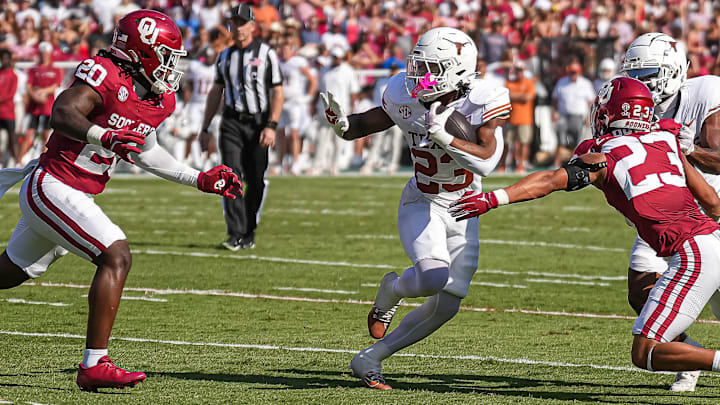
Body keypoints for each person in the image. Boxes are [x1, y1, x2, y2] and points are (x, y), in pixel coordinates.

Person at [0, 10, 242, 391]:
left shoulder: (157, 99)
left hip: (75, 193)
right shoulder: (104, 74)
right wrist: (104, 136)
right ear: (142, 52)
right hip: (52, 184)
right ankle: (95, 365)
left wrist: (198, 178)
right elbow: (62, 112)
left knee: (9, 274)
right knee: (117, 254)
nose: (170, 67)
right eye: (165, 56)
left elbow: (146, 151)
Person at [448, 77, 720, 386]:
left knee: (645, 351)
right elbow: (713, 204)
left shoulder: (602, 155)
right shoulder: (667, 141)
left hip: (693, 254)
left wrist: (493, 198)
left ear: (607, 115)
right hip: (714, 239)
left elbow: (551, 180)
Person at [321, 27, 510, 390]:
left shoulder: (483, 98)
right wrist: (343, 124)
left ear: (458, 71)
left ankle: (370, 358)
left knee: (448, 304)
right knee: (433, 277)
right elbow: (365, 123)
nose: (420, 77)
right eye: (418, 65)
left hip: (465, 208)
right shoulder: (403, 93)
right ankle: (391, 290)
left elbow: (486, 162)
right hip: (422, 200)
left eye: (431, 68)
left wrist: (443, 135)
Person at [619, 32, 720, 392]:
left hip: (713, 214)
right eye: (634, 75)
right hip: (669, 213)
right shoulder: (629, 105)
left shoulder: (706, 92)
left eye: (646, 74)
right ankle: (686, 351)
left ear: (674, 71)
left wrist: (685, 151)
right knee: (641, 290)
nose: (638, 83)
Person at [199, 4, 284, 251]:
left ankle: (249, 230)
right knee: (231, 176)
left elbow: (277, 91)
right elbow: (216, 91)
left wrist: (271, 125)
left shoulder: (266, 53)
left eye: (241, 23)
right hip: (231, 122)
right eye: (233, 22)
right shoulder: (225, 56)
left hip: (259, 123)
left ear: (251, 26)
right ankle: (235, 233)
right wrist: (204, 128)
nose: (237, 27)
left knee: (255, 180)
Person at [18, 42, 63, 165]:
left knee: (46, 135)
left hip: (48, 108)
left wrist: (41, 92)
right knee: (29, 134)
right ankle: (19, 161)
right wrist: (35, 96)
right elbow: (28, 86)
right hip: (34, 108)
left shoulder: (55, 69)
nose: (44, 56)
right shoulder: (34, 69)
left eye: (46, 53)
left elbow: (54, 86)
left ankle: (44, 160)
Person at [551, 61, 595, 167]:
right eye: (571, 72)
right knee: (561, 140)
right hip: (564, 115)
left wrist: (589, 117)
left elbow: (591, 102)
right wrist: (554, 112)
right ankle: (557, 162)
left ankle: (573, 162)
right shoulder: (562, 82)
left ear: (579, 72)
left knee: (577, 141)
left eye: (575, 72)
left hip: (579, 116)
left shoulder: (586, 84)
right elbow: (555, 99)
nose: (573, 74)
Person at [503, 60, 535, 173]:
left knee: (523, 143)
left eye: (520, 70)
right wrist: (520, 96)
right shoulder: (509, 83)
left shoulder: (529, 83)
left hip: (525, 119)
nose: (519, 72)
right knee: (506, 143)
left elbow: (528, 97)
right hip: (510, 118)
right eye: (517, 70)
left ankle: (521, 164)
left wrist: (514, 96)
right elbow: (506, 96)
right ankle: (503, 165)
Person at [0, 49, 17, 167]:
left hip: (8, 112)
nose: (4, 60)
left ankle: (16, 161)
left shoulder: (13, 75)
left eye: (6, 58)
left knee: (12, 137)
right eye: (3, 58)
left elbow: (11, 93)